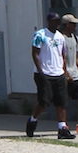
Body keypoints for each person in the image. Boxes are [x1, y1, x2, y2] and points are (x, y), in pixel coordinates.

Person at [28, 10, 71, 140]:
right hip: (44, 73)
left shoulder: (60, 37)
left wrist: (64, 71)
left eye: (59, 22)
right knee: (44, 101)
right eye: (55, 21)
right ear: (49, 22)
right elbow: (35, 53)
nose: (57, 24)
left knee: (61, 101)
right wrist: (40, 70)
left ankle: (62, 128)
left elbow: (62, 55)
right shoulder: (40, 35)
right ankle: (32, 120)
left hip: (58, 73)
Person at [61, 13, 78, 137]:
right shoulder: (60, 38)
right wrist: (65, 74)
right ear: (66, 25)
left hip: (76, 73)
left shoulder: (75, 38)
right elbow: (61, 58)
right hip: (65, 74)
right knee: (63, 101)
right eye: (73, 24)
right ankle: (63, 125)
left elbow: (76, 57)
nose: (75, 26)